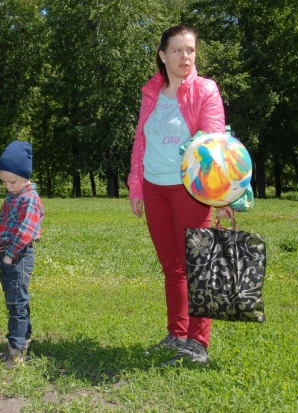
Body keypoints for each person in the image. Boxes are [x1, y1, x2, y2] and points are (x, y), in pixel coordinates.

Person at [127, 25, 233, 366]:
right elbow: (141, 141)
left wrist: (222, 195)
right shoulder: (151, 92)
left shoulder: (205, 90)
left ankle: (198, 344)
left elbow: (215, 145)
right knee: (173, 267)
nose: (184, 56)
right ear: (162, 55)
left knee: (198, 264)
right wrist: (136, 186)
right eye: (177, 50)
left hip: (192, 190)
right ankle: (177, 335)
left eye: (190, 50)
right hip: (155, 189)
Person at [0, 141, 44, 366]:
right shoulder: (15, 195)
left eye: (12, 181)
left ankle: (15, 350)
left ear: (25, 176)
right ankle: (24, 338)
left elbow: (26, 231)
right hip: (6, 256)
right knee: (17, 300)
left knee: (16, 304)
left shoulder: (28, 199)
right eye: (4, 182)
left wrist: (9, 256)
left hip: (16, 257)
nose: (8, 186)